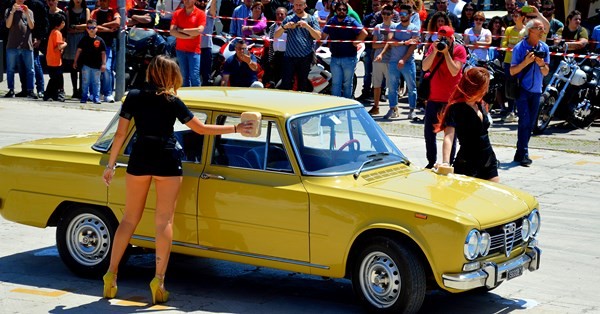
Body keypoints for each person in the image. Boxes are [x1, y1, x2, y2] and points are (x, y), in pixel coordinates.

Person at [101, 54, 256, 305]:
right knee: (163, 221)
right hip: (166, 159)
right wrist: (237, 129)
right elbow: (201, 129)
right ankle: (159, 281)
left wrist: (111, 165)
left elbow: (120, 134)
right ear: (171, 76)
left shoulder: (134, 96)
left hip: (139, 158)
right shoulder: (172, 100)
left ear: (152, 71)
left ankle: (111, 275)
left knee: (129, 219)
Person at [435, 67, 499, 182]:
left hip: (488, 158)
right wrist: (445, 162)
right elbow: (449, 137)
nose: (487, 90)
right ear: (475, 87)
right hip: (468, 161)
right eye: (484, 86)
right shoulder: (456, 108)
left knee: (494, 196)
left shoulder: (481, 104)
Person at [422, 25, 466, 169]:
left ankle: (449, 162)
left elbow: (455, 71)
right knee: (429, 133)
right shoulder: (433, 47)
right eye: (441, 38)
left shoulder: (459, 49)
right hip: (433, 99)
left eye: (446, 38)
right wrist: (434, 51)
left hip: (451, 100)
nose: (443, 41)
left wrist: (447, 53)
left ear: (452, 38)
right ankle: (431, 161)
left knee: (450, 134)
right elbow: (424, 67)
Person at [510, 18, 550, 167]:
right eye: (539, 28)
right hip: (522, 90)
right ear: (530, 30)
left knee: (531, 123)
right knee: (524, 121)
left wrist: (540, 64)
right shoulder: (520, 48)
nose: (542, 31)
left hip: (537, 91)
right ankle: (524, 154)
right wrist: (526, 62)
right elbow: (512, 70)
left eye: (542, 29)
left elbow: (546, 72)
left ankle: (520, 153)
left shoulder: (544, 48)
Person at [379, 4, 419, 120]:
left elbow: (413, 45)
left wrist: (404, 59)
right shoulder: (395, 26)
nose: (402, 16)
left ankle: (412, 110)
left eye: (404, 14)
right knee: (392, 87)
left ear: (410, 15)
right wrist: (405, 42)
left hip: (408, 62)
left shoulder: (414, 28)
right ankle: (392, 108)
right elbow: (390, 40)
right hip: (393, 61)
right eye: (400, 14)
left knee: (411, 87)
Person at [322, 1, 366, 99]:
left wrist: (357, 41)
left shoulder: (351, 21)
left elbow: (364, 33)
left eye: (344, 10)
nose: (342, 11)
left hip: (349, 57)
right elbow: (323, 35)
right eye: (339, 9)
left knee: (347, 84)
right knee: (336, 83)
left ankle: (347, 105)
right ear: (335, 10)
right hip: (335, 58)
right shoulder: (332, 21)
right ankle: (336, 107)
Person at [274, 0, 321, 92]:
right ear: (293, 6)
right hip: (289, 57)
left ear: (305, 5)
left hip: (305, 57)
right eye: (296, 5)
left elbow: (318, 36)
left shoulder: (311, 19)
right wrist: (285, 27)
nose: (298, 7)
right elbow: (276, 35)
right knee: (286, 83)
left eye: (300, 5)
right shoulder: (289, 18)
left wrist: (307, 27)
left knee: (302, 84)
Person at [4, 0, 36, 99]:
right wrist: (12, 12)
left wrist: (26, 13)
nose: (20, 1)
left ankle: (30, 90)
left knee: (30, 70)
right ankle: (11, 89)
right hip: (12, 45)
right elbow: (8, 25)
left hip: (27, 45)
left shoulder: (29, 11)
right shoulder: (9, 10)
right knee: (10, 69)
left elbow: (31, 26)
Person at [170, 0, 206, 87]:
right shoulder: (177, 13)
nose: (186, 1)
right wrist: (189, 36)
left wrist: (181, 30)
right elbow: (172, 31)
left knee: (194, 76)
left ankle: (197, 97)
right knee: (184, 76)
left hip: (194, 50)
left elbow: (199, 31)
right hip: (180, 50)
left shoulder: (200, 13)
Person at [91, 0, 121, 103]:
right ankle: (96, 92)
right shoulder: (95, 12)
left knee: (107, 69)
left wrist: (103, 24)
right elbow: (95, 27)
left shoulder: (113, 11)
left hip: (108, 45)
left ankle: (108, 93)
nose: (104, 2)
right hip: (96, 45)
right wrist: (108, 29)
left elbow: (117, 23)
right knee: (96, 69)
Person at [369, 4, 394, 115]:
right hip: (378, 60)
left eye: (388, 14)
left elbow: (392, 44)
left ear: (392, 15)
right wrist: (385, 44)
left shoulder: (395, 27)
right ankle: (376, 106)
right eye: (384, 13)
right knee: (376, 84)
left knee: (392, 86)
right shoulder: (378, 27)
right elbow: (374, 45)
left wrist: (386, 44)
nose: (385, 16)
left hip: (390, 60)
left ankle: (393, 107)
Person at [74, 19, 106, 104]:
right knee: (85, 81)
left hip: (97, 66)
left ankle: (96, 97)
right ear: (86, 29)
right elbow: (79, 50)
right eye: (89, 28)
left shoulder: (100, 40)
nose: (91, 29)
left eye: (93, 27)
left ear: (97, 29)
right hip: (86, 65)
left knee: (96, 82)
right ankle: (84, 97)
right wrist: (75, 61)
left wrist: (104, 64)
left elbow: (103, 53)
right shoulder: (84, 39)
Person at [500, 8, 524, 122]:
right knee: (510, 86)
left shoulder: (527, 30)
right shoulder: (509, 29)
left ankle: (520, 110)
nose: (515, 18)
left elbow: (525, 47)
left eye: (517, 15)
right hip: (509, 61)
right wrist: (517, 46)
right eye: (513, 16)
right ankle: (511, 111)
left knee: (521, 86)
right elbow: (504, 45)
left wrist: (513, 45)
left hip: (523, 62)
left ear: (522, 17)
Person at [64, 0, 90, 99]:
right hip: (72, 40)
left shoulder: (86, 10)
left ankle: (81, 90)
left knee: (82, 66)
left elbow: (87, 25)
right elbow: (68, 28)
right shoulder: (68, 11)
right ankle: (75, 90)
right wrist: (79, 28)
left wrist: (76, 27)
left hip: (83, 39)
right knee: (73, 67)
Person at [44, 14, 68, 102]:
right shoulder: (57, 33)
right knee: (55, 78)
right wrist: (65, 44)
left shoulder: (52, 31)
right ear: (61, 23)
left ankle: (53, 94)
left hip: (51, 58)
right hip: (55, 60)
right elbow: (58, 47)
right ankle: (48, 94)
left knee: (55, 78)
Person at [265, 6, 287, 86]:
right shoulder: (272, 27)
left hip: (287, 56)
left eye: (282, 14)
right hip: (276, 56)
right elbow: (270, 45)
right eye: (278, 14)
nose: (280, 16)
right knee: (276, 78)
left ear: (286, 15)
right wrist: (271, 59)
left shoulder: (289, 27)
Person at [198, 0, 216, 86]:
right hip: (194, 48)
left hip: (206, 47)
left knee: (206, 76)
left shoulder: (209, 13)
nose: (202, 2)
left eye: (205, 1)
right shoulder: (193, 13)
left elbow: (213, 8)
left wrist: (213, 1)